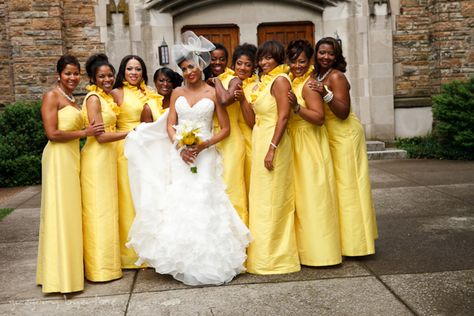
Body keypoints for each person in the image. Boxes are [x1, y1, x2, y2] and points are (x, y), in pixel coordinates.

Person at [125, 31, 251, 286]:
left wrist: (203, 145)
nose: (188, 72)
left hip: (204, 156)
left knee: (205, 198)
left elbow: (225, 129)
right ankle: (181, 259)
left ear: (200, 65)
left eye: (192, 66)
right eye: (184, 68)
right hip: (181, 155)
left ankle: (209, 259)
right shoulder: (176, 93)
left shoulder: (213, 92)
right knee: (179, 202)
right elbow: (171, 125)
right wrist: (180, 146)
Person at [37, 54, 104, 293]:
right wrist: (84, 133)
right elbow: (52, 133)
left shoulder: (72, 98)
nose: (73, 77)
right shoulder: (51, 96)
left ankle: (71, 270)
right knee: (60, 213)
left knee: (71, 213)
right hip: (58, 158)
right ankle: (60, 277)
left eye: (76, 73)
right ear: (58, 75)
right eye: (68, 73)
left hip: (73, 157)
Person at [310, 37, 377, 256]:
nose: (325, 57)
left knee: (349, 187)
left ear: (337, 56)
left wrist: (325, 93)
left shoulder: (336, 76)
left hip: (345, 134)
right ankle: (340, 239)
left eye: (330, 53)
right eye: (322, 52)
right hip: (328, 133)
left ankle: (356, 244)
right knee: (335, 188)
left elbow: (343, 111)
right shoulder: (317, 74)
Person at [244, 40, 300, 275]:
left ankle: (276, 258)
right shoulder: (262, 83)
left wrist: (272, 147)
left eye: (269, 58)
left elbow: (284, 117)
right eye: (261, 58)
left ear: (278, 59)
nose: (264, 62)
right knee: (261, 199)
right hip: (259, 138)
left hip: (274, 141)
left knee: (274, 199)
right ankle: (261, 256)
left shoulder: (280, 81)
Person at [286, 40, 342, 266]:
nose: (297, 65)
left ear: (309, 61)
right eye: (293, 61)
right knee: (301, 200)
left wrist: (297, 109)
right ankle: (305, 250)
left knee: (313, 198)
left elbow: (319, 119)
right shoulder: (291, 81)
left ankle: (321, 253)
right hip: (295, 144)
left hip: (309, 144)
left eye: (302, 61)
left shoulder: (309, 85)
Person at [111, 55, 163, 269]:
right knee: (129, 198)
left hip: (148, 149)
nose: (134, 73)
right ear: (123, 71)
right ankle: (130, 255)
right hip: (126, 148)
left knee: (147, 197)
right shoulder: (116, 93)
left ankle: (151, 248)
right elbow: (110, 123)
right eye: (130, 69)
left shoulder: (149, 92)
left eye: (138, 69)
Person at [81, 54, 128, 282]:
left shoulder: (106, 98)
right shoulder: (93, 99)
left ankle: (111, 264)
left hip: (108, 157)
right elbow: (100, 136)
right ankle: (100, 270)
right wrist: (131, 133)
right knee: (99, 212)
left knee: (109, 211)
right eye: (102, 76)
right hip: (97, 159)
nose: (107, 79)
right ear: (93, 78)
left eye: (110, 75)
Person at [207, 43, 248, 225]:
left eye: (222, 59)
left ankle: (238, 235)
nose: (217, 62)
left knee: (232, 187)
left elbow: (224, 100)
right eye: (213, 58)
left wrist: (216, 81)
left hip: (231, 139)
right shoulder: (204, 80)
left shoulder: (233, 80)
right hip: (211, 138)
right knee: (214, 188)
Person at [232, 43, 258, 199]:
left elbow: (253, 123)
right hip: (230, 139)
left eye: (248, 64)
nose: (242, 68)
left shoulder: (255, 87)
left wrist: (242, 100)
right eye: (239, 63)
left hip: (249, 140)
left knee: (248, 182)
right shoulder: (227, 82)